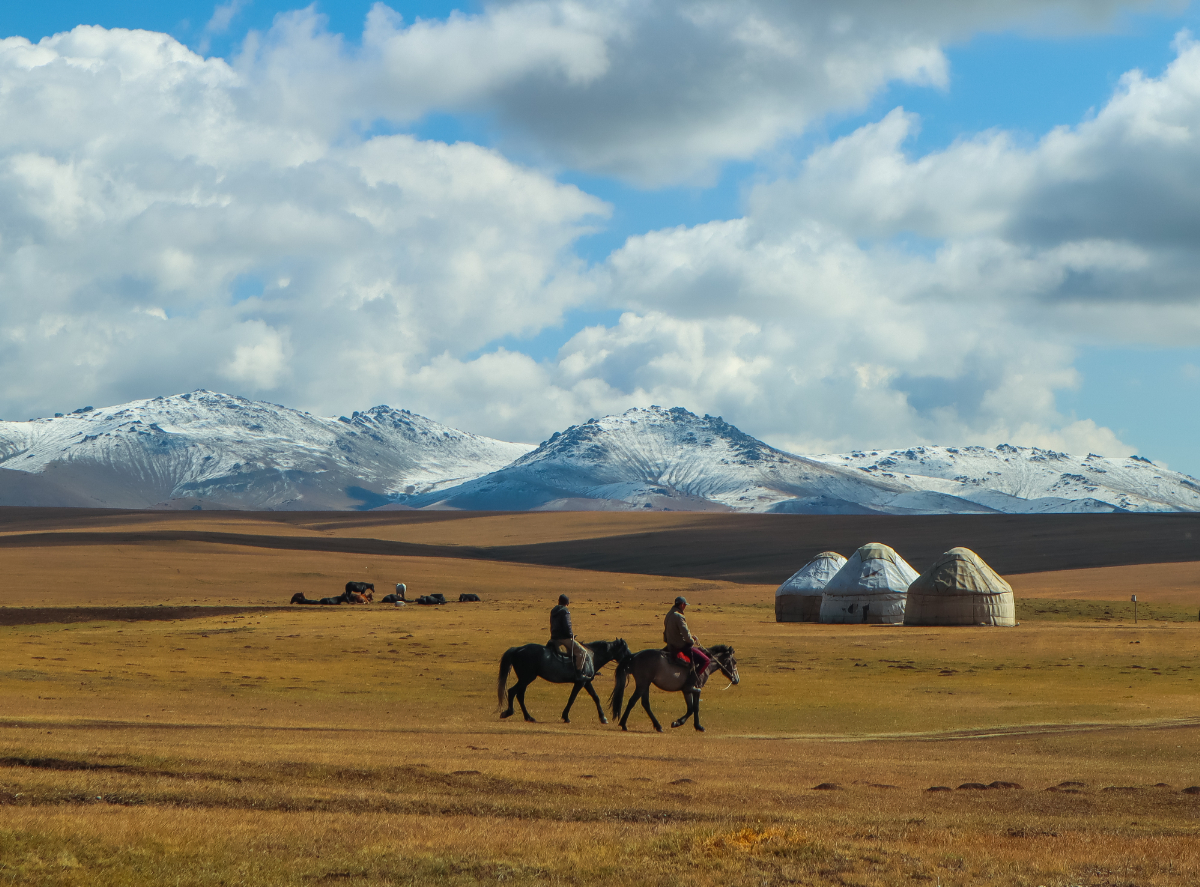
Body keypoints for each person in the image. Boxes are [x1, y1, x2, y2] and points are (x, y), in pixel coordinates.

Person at [663, 596, 710, 675]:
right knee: (706, 660)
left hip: (670, 645)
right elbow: (686, 635)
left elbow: (675, 632)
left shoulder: (669, 614)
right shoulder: (679, 616)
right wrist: (692, 641)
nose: (685, 607)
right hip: (680, 646)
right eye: (685, 605)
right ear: (682, 605)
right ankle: (692, 682)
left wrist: (691, 637)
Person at [549, 594, 589, 675]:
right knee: (582, 652)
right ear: (567, 603)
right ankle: (579, 673)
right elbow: (567, 626)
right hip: (563, 638)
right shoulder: (565, 611)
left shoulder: (553, 610)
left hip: (554, 637)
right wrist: (571, 635)